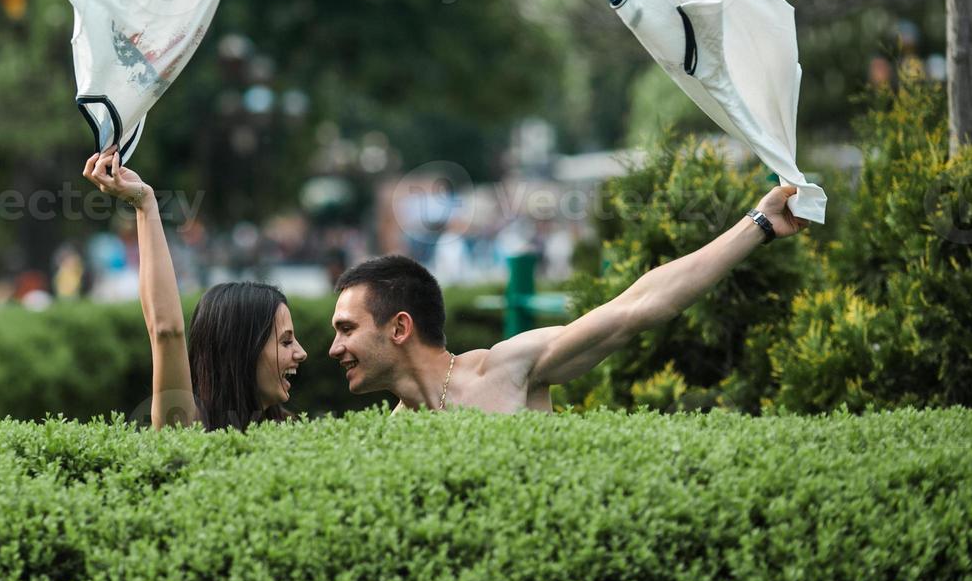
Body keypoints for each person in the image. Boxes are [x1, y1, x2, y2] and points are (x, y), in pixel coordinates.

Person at [329, 186, 809, 414]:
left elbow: (636, 308)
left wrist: (759, 225)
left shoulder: (505, 369)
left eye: (346, 329)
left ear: (399, 328)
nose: (332, 349)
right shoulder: (396, 434)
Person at [82, 148, 306, 431]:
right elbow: (166, 331)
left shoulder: (292, 430)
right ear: (241, 349)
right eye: (285, 342)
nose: (301, 353)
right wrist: (144, 204)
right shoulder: (188, 426)